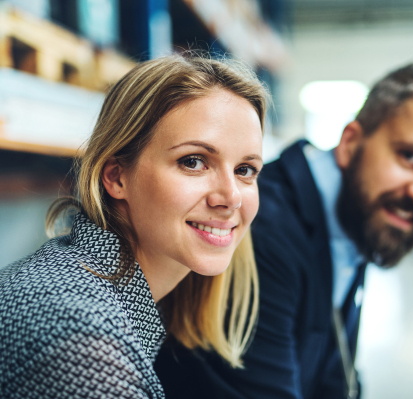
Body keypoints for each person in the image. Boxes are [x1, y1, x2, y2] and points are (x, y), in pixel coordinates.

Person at [154, 64, 413, 398]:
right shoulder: (258, 233)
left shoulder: (358, 215)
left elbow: (335, 374)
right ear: (350, 143)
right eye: (411, 158)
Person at [0, 54, 269, 399]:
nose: (230, 197)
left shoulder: (88, 286)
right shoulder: (87, 348)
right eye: (193, 162)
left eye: (245, 170)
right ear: (116, 177)